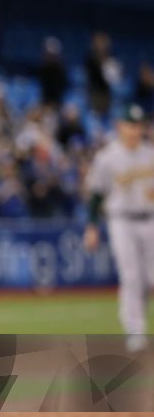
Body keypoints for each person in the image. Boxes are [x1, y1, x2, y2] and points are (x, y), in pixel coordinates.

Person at [84, 103, 154, 353]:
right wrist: (92, 226)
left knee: (150, 278)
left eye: (139, 125)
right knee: (131, 276)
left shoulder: (150, 153)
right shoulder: (107, 157)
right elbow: (95, 194)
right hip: (121, 220)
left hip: (150, 219)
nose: (136, 130)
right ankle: (135, 331)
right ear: (119, 126)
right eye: (131, 125)